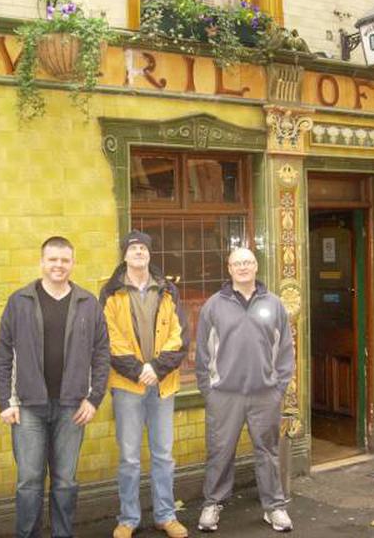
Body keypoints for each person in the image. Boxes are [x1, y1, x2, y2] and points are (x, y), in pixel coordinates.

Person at [0, 236, 110, 538]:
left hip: (72, 407)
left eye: (65, 260)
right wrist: (5, 401)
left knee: (66, 481)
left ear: (73, 263)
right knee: (29, 481)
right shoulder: (19, 301)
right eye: (53, 259)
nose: (59, 265)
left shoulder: (87, 303)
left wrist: (94, 399)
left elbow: (101, 354)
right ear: (42, 262)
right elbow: (4, 353)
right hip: (28, 407)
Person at [195, 247, 295, 533]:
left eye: (248, 262)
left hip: (264, 394)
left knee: (268, 452)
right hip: (224, 396)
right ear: (229, 269)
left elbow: (285, 350)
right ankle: (213, 503)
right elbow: (202, 353)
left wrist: (278, 389)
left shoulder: (273, 304)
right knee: (220, 451)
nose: (243, 267)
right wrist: (209, 391)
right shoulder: (214, 306)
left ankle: (274, 507)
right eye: (237, 263)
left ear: (256, 266)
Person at [100, 230, 189, 538]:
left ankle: (166, 515)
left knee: (163, 455)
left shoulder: (168, 290)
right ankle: (128, 518)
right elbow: (109, 339)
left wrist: (156, 368)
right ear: (124, 255)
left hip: (162, 384)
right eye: (133, 248)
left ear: (150, 254)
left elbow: (180, 336)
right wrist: (139, 370)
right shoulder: (111, 292)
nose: (139, 252)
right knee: (129, 458)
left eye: (143, 248)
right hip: (128, 385)